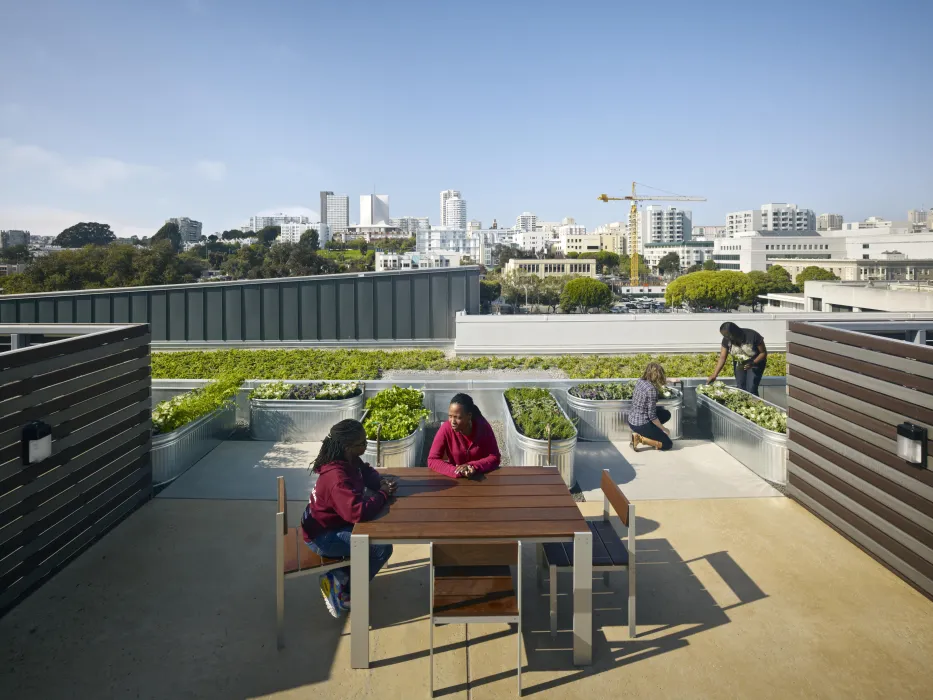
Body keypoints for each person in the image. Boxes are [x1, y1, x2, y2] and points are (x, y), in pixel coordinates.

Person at [301, 419, 397, 619]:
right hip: (323, 537)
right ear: (347, 447)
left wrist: (379, 482)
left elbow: (365, 471)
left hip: (328, 523)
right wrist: (383, 494)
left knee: (373, 533)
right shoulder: (337, 478)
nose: (365, 446)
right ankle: (345, 593)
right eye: (361, 443)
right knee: (381, 547)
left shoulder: (347, 459)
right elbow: (358, 513)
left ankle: (341, 574)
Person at [428, 393, 501, 477]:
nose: (453, 421)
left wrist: (473, 466)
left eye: (457, 417)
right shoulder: (446, 428)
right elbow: (432, 460)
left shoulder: (483, 427)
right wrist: (457, 471)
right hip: (456, 480)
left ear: (469, 416)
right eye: (450, 416)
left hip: (482, 478)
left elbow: (494, 457)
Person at [707, 321, 768, 396]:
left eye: (728, 335)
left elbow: (763, 353)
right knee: (741, 388)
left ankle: (754, 405)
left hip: (755, 362)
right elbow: (722, 357)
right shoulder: (726, 340)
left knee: (751, 389)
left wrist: (753, 363)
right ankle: (743, 406)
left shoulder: (752, 336)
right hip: (740, 362)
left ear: (734, 333)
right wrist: (715, 374)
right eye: (724, 335)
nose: (726, 338)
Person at [627, 362, 674, 452]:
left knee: (666, 414)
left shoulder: (640, 381)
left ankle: (650, 433)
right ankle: (640, 438)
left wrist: (669, 380)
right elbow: (652, 416)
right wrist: (664, 429)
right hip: (641, 424)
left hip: (632, 420)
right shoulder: (651, 390)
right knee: (667, 444)